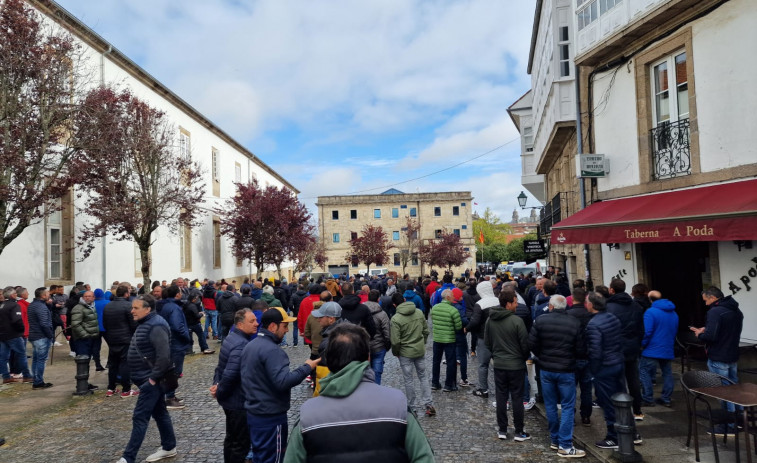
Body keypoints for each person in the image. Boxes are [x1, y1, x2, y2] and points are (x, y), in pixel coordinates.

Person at [284, 323, 435, 463]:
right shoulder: (398, 404)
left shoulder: (308, 415)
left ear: (328, 361)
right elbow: (424, 457)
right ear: (368, 358)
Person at [241, 308, 319, 463]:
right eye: (284, 326)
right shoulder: (272, 350)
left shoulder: (251, 345)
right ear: (272, 327)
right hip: (270, 417)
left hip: (254, 413)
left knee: (260, 457)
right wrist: (307, 367)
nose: (286, 330)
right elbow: (283, 382)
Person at [117, 295, 177, 463]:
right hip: (146, 379)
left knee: (140, 417)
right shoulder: (146, 323)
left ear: (147, 309)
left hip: (151, 381)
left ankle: (128, 457)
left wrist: (152, 379)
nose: (132, 311)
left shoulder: (156, 325)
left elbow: (164, 356)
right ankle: (169, 446)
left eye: (136, 308)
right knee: (160, 413)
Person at [528, 294, 585, 458]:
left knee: (551, 405)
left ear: (551, 306)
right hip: (566, 369)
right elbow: (581, 349)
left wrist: (541, 356)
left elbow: (532, 343)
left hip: (546, 368)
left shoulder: (540, 320)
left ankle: (555, 439)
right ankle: (565, 444)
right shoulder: (574, 322)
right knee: (567, 406)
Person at [212, 309, 259, 463]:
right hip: (238, 403)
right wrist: (220, 391)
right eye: (251, 321)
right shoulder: (241, 345)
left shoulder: (232, 338)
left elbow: (220, 368)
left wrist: (217, 385)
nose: (256, 323)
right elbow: (230, 374)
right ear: (240, 324)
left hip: (232, 401)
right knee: (240, 444)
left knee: (231, 439)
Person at [486, 289, 531, 442]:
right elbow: (525, 344)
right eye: (515, 302)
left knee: (501, 396)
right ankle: (519, 431)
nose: (517, 305)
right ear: (508, 304)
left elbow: (488, 342)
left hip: (500, 364)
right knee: (517, 398)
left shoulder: (490, 320)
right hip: (516, 365)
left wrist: (496, 354)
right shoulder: (517, 321)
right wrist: (522, 357)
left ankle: (503, 429)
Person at [691, 286, 744, 414]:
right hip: (732, 353)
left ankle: (729, 422)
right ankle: (740, 415)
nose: (705, 303)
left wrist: (700, 334)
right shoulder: (735, 310)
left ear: (713, 297)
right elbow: (726, 329)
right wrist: (707, 328)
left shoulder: (715, 311)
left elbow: (711, 336)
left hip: (718, 354)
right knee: (733, 386)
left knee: (723, 390)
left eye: (705, 300)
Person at [584, 291, 627, 450]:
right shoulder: (612, 317)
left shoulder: (594, 324)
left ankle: (613, 437)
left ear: (592, 305)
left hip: (605, 367)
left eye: (587, 302)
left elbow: (595, 351)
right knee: (621, 400)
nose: (585, 304)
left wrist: (594, 371)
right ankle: (630, 431)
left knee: (608, 403)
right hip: (617, 362)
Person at [605, 279, 645, 421]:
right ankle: (637, 410)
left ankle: (620, 409)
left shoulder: (608, 306)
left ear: (612, 290)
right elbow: (641, 329)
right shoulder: (636, 306)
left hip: (615, 347)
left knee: (617, 379)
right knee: (633, 378)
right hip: (632, 347)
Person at [391, 298, 435, 416]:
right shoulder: (419, 312)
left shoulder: (396, 319)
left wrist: (396, 352)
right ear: (404, 300)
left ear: (395, 305)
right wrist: (422, 343)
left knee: (408, 380)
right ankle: (429, 404)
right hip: (419, 350)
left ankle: (412, 407)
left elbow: (395, 341)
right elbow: (426, 331)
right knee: (423, 377)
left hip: (405, 352)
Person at [639, 290, 678, 407]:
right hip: (667, 347)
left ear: (650, 299)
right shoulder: (673, 312)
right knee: (667, 373)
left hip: (652, 348)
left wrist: (642, 344)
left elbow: (647, 332)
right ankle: (666, 398)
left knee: (644, 371)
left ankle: (647, 398)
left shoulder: (650, 312)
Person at [155, 286, 191, 409]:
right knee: (175, 371)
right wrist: (186, 336)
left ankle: (170, 395)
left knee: (172, 370)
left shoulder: (164, 305)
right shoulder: (174, 308)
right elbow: (177, 326)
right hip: (176, 342)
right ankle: (169, 397)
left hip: (169, 341)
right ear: (177, 295)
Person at [103, 285, 138, 397]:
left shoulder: (108, 306)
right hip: (125, 339)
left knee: (113, 364)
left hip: (112, 338)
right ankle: (126, 389)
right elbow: (133, 324)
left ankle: (111, 388)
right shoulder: (128, 306)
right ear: (126, 294)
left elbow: (105, 323)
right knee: (124, 364)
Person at [466, 280, 498, 398]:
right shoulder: (498, 301)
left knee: (483, 364)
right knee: (498, 364)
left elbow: (475, 321)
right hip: (498, 336)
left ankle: (484, 389)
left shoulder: (480, 304)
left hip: (484, 337)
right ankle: (500, 388)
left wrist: (467, 328)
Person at [566, 287, 593, 426]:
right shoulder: (590, 314)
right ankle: (586, 416)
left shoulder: (568, 314)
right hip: (587, 356)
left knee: (570, 389)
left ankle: (571, 415)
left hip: (572, 356)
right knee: (586, 389)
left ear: (573, 298)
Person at [430, 289, 462, 392]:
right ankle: (449, 385)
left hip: (437, 338)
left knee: (436, 361)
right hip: (449, 339)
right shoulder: (453, 310)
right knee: (451, 362)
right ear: (448, 297)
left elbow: (433, 321)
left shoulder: (434, 308)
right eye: (452, 296)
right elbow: (458, 327)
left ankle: (435, 382)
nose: (454, 297)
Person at [311, 302, 345, 396]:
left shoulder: (329, 342)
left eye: (321, 317)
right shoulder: (345, 332)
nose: (318, 320)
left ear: (331, 319)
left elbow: (323, 375)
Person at [27, 287, 54, 389]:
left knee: (36, 359)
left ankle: (35, 379)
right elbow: (44, 323)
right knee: (41, 360)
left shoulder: (33, 305)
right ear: (43, 296)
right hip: (41, 336)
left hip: (34, 335)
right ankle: (38, 382)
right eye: (47, 293)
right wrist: (50, 335)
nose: (49, 295)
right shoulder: (40, 307)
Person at [364, 290, 391, 384]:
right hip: (379, 347)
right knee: (377, 373)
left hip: (364, 347)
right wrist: (387, 345)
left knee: (364, 373)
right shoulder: (382, 314)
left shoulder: (361, 312)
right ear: (378, 299)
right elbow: (387, 332)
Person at [183, 290, 214, 355]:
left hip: (188, 323)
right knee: (201, 336)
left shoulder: (185, 304)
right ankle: (204, 348)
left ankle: (189, 350)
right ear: (193, 299)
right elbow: (196, 315)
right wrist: (201, 314)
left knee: (189, 338)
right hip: (195, 323)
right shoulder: (192, 306)